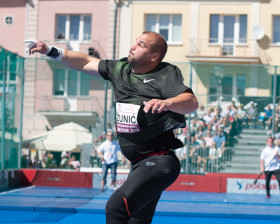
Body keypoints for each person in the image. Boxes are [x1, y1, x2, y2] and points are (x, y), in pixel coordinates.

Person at [25, 31, 198, 224]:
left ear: (153, 56)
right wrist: (50, 50)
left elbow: (191, 102)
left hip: (159, 162)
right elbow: (84, 62)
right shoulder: (120, 69)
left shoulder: (165, 74)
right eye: (135, 42)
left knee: (115, 207)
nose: (133, 46)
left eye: (141, 45)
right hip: (139, 164)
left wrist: (168, 103)